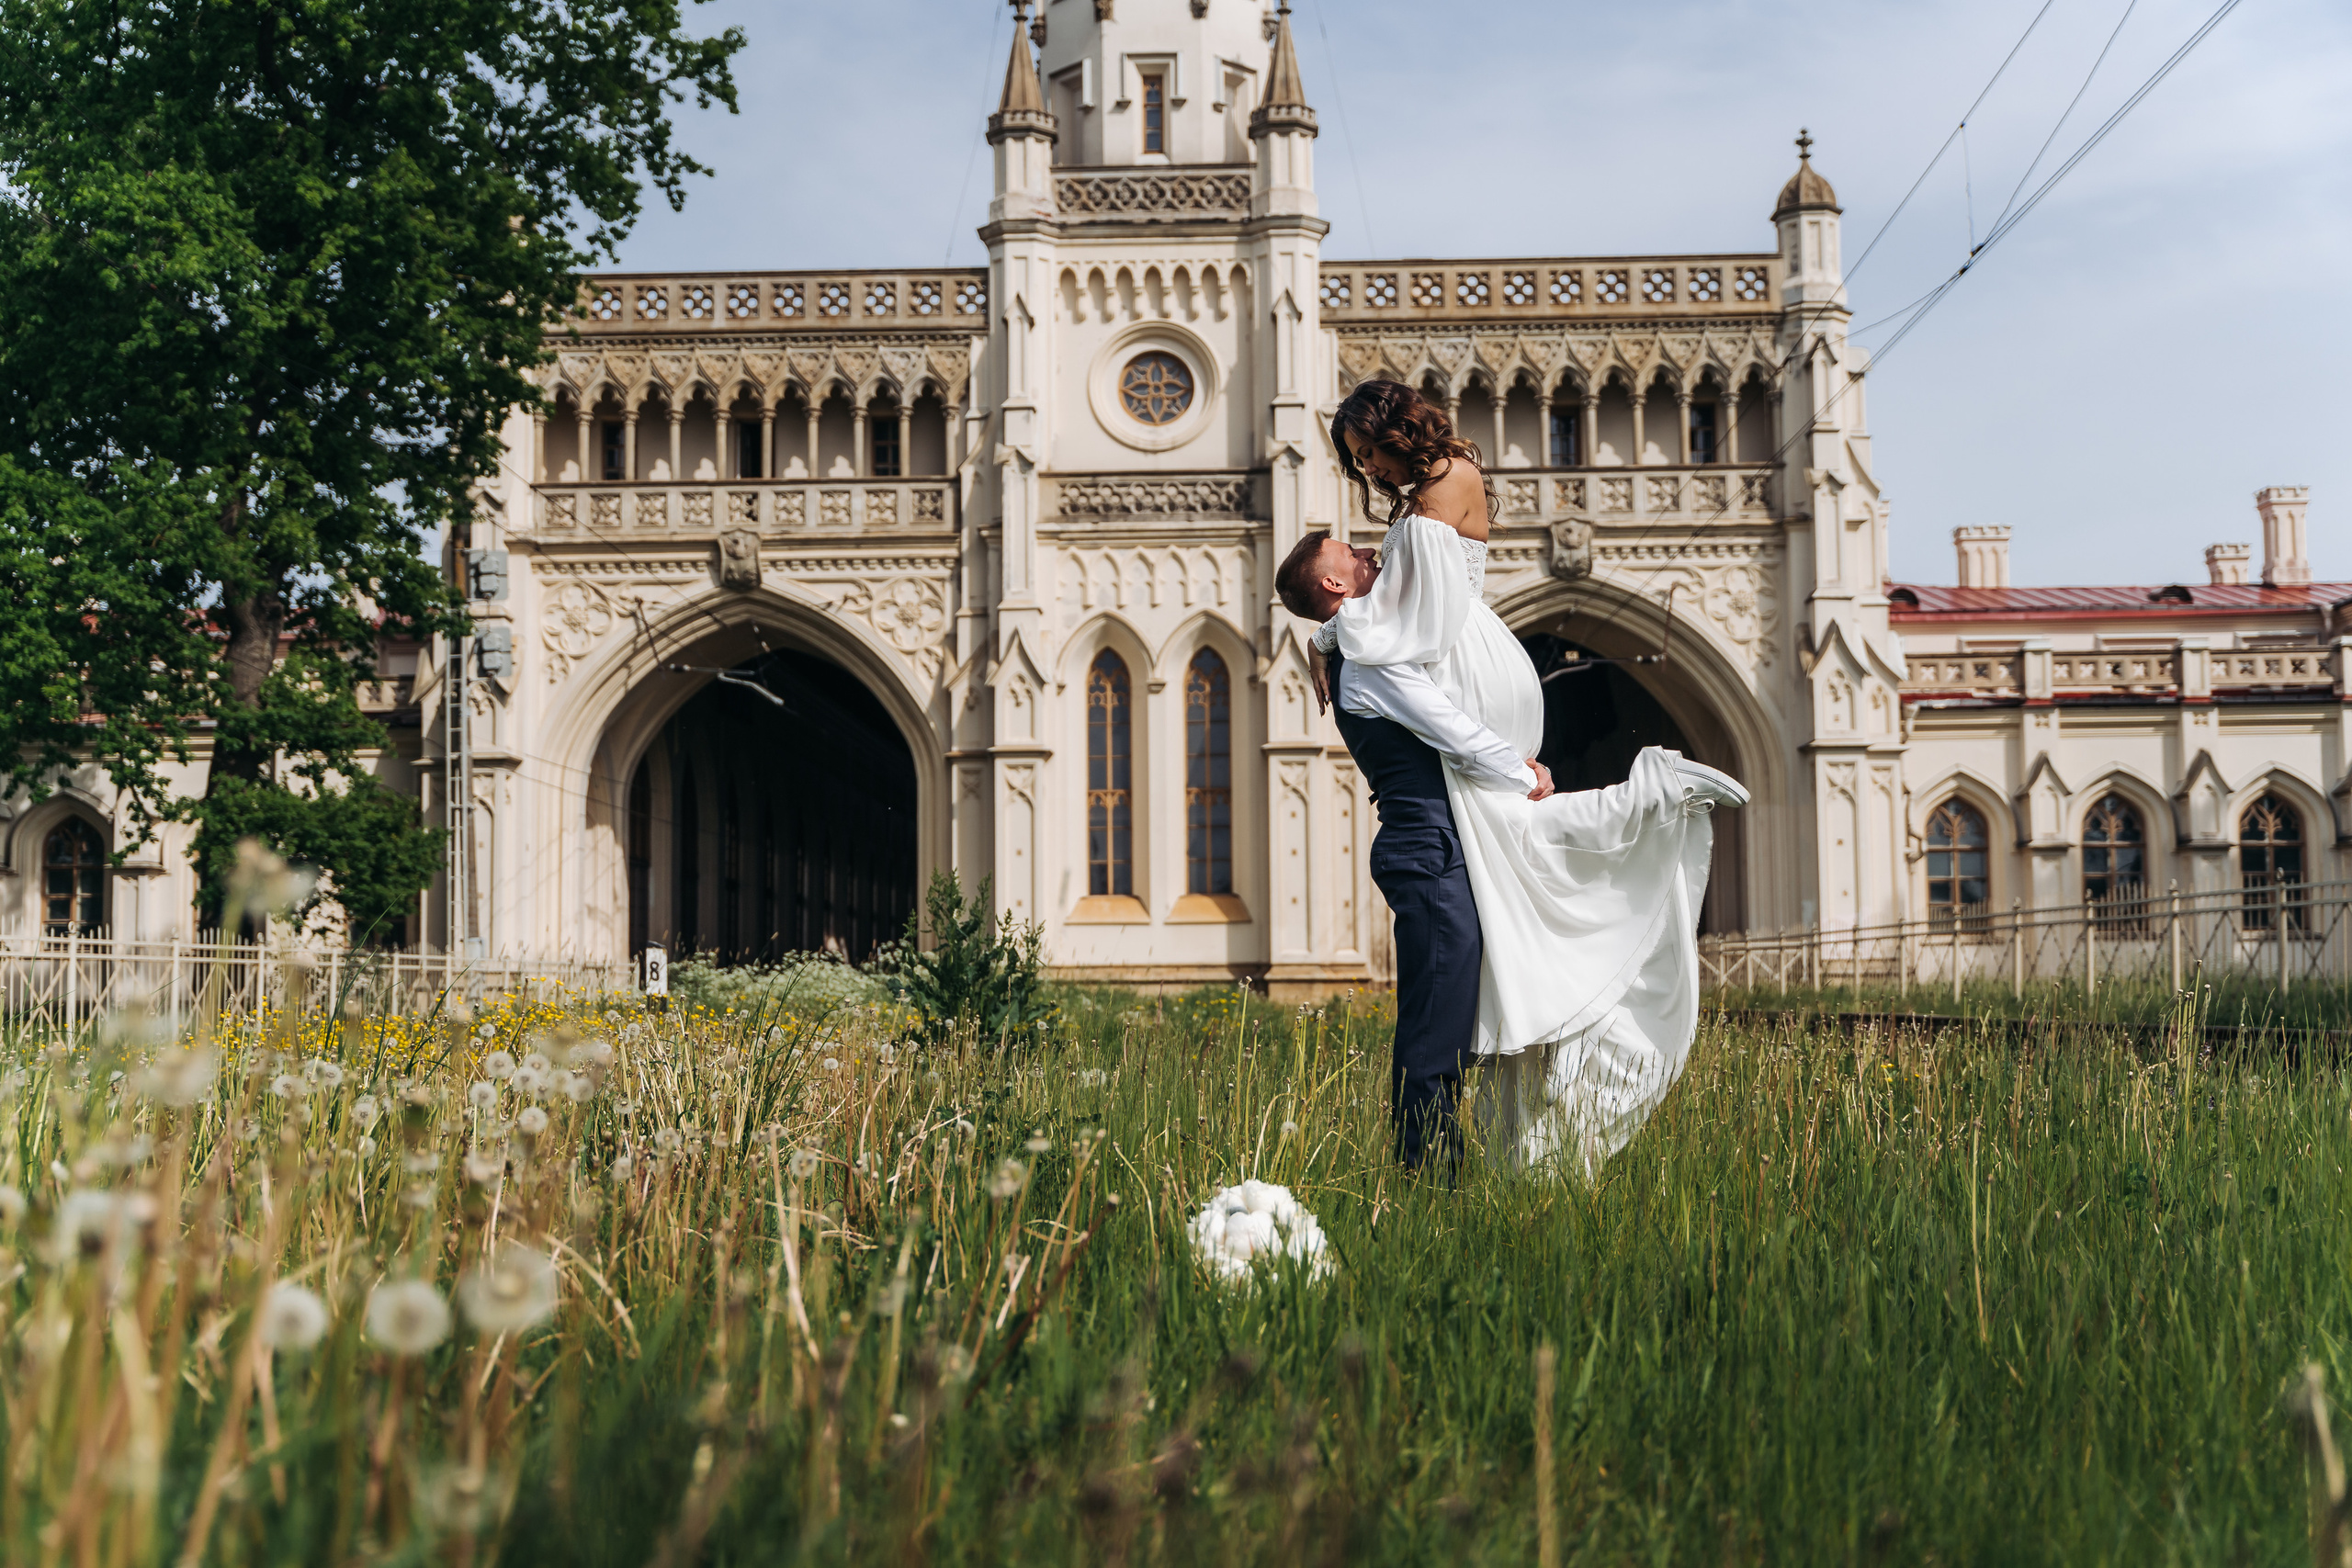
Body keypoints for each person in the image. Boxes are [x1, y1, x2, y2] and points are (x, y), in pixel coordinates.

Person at [1279, 378, 1747, 1175]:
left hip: (1449, 804)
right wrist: (1335, 642)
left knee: (1509, 912)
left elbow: (1414, 628)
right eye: (1351, 559)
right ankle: (1430, 1168)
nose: (1369, 477)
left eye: (1368, 455)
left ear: (1394, 431)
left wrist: (1326, 640)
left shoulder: (1415, 534)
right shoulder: (1372, 648)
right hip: (1431, 831)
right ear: (1334, 589)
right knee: (1460, 994)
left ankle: (1658, 795)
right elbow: (1418, 659)